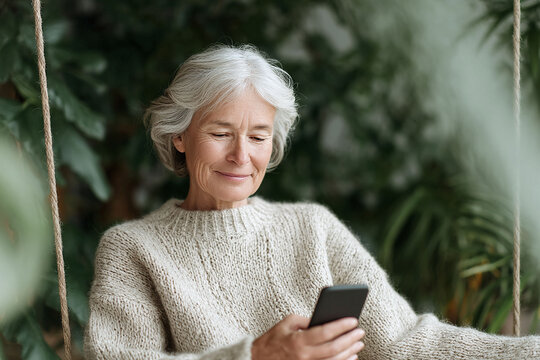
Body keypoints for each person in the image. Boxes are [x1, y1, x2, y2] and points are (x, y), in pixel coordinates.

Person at [84, 44, 540, 360]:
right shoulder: (133, 248)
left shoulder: (312, 227)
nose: (242, 155)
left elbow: (406, 344)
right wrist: (257, 356)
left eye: (259, 136)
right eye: (220, 133)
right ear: (180, 136)